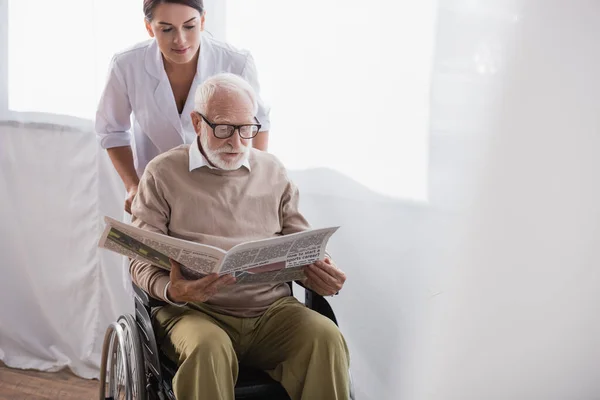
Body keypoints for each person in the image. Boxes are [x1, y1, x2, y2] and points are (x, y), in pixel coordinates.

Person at [129, 73, 349, 400]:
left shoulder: (273, 172)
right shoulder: (162, 173)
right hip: (194, 312)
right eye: (223, 128)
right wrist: (172, 289)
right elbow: (139, 260)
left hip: (270, 313)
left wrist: (322, 273)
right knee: (208, 348)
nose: (236, 142)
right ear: (197, 122)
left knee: (325, 338)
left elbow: (304, 247)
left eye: (246, 129)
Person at [96, 0, 270, 214]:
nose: (180, 40)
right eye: (166, 29)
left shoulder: (236, 62)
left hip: (222, 194)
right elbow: (112, 131)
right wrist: (133, 186)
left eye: (189, 26)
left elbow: (258, 124)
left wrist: (247, 185)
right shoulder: (126, 65)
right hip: (153, 195)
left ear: (203, 21)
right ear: (149, 28)